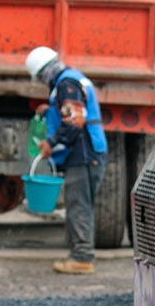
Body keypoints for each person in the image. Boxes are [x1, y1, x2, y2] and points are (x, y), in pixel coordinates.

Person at [25, 46, 108, 274]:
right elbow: (70, 110)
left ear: (46, 71)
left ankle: (82, 257)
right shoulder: (69, 81)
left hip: (84, 154)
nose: (43, 82)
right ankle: (78, 254)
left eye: (41, 77)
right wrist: (50, 109)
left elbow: (74, 120)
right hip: (86, 153)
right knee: (77, 204)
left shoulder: (66, 85)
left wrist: (50, 143)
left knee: (79, 206)